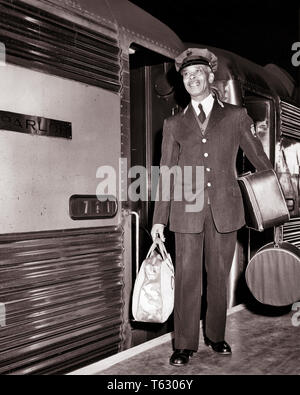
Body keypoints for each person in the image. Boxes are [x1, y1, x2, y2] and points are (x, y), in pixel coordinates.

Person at [151, 48, 273, 367]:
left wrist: (268, 198)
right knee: (188, 277)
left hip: (225, 210)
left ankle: (216, 335)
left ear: (209, 77)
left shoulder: (235, 116)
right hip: (185, 210)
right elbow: (166, 173)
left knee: (218, 276)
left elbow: (261, 162)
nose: (191, 79)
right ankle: (185, 343)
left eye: (197, 73)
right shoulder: (173, 124)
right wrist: (158, 221)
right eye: (186, 75)